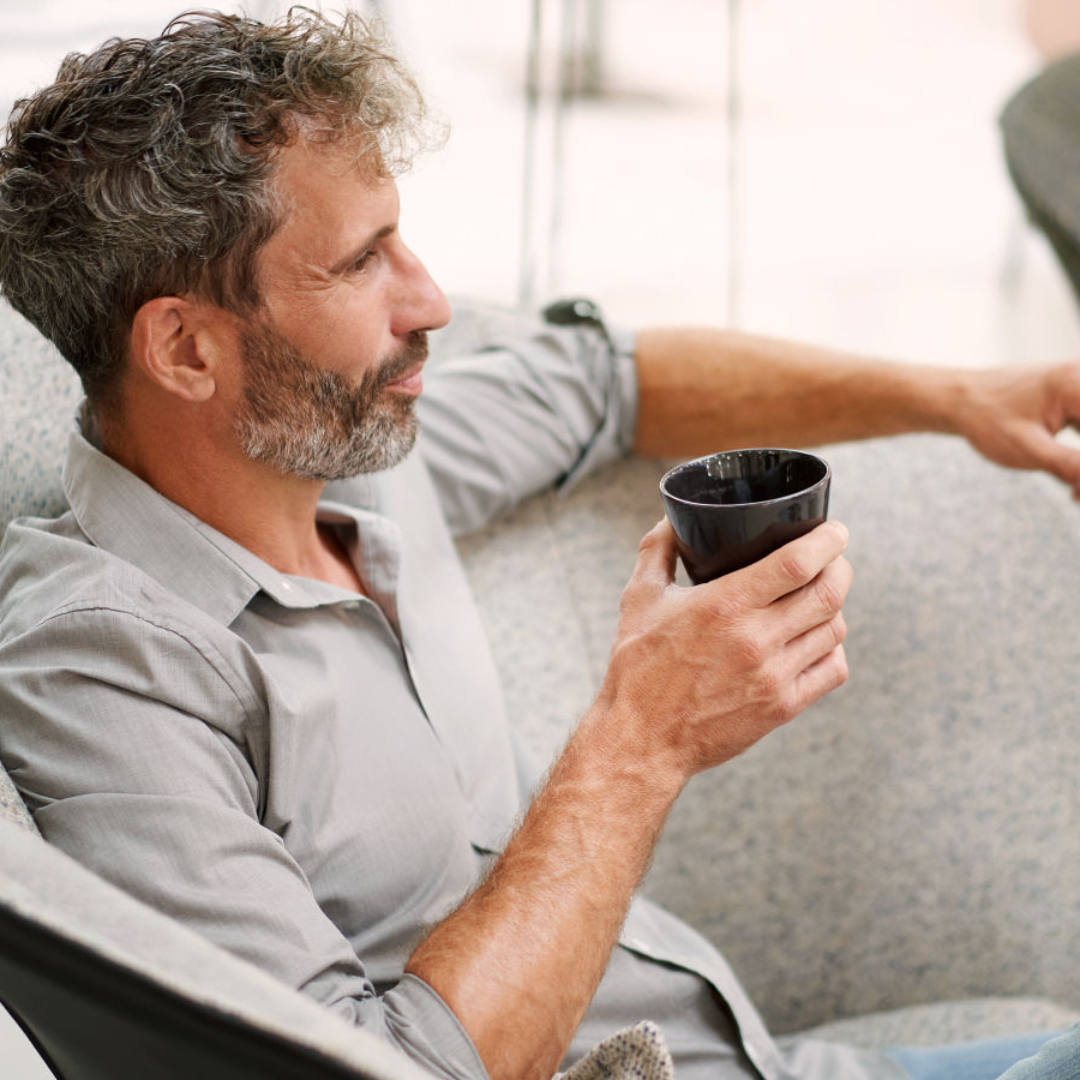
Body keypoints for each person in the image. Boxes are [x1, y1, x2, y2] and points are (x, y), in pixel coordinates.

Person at [0, 10, 1075, 1080]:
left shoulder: (358, 452)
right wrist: (644, 736)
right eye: (363, 262)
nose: (429, 302)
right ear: (186, 348)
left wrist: (959, 397)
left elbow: (608, 376)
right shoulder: (101, 666)